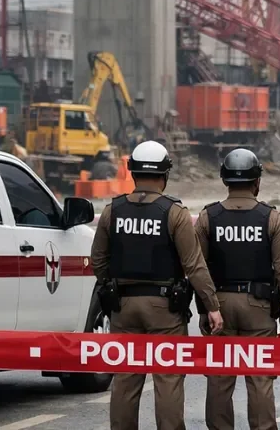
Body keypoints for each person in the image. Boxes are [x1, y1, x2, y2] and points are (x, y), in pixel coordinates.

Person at [91, 140, 223, 430]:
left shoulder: (113, 211)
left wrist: (112, 289)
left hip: (123, 307)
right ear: (164, 176)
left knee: (125, 378)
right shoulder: (174, 213)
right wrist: (212, 306)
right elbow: (194, 265)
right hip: (165, 309)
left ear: (133, 174)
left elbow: (98, 261)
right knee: (169, 378)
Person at [196, 149, 280, 430]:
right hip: (259, 306)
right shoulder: (271, 218)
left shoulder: (208, 217)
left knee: (219, 377)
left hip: (219, 304)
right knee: (260, 379)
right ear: (257, 182)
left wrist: (207, 308)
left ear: (225, 180)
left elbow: (197, 268)